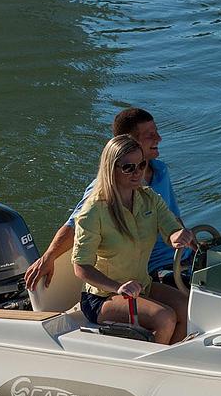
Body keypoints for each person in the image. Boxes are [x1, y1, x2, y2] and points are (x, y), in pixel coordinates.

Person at [25, 107, 191, 291]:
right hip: (154, 269)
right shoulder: (102, 191)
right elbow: (75, 226)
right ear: (129, 141)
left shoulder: (160, 172)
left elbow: (172, 218)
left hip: (183, 256)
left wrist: (185, 238)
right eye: (150, 135)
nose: (158, 138)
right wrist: (49, 256)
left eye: (156, 132)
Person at [72, 134, 195, 345]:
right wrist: (118, 287)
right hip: (102, 297)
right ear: (111, 169)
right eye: (128, 167)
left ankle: (168, 358)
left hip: (141, 285)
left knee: (189, 309)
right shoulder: (92, 211)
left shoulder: (149, 198)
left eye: (141, 165)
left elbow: (171, 228)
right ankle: (152, 362)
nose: (137, 172)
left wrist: (177, 236)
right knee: (165, 318)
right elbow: (81, 267)